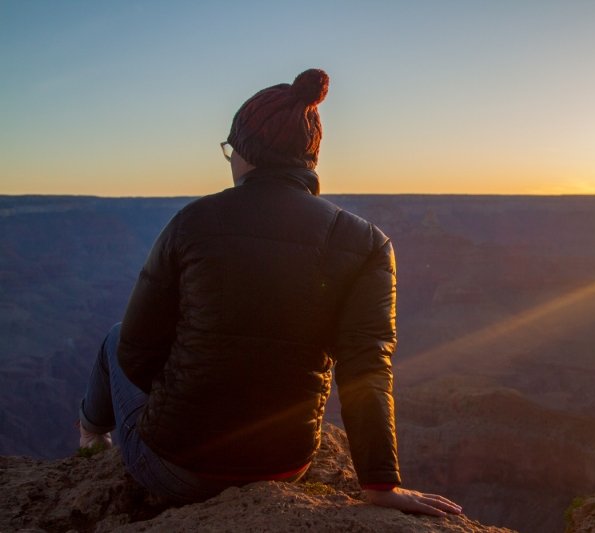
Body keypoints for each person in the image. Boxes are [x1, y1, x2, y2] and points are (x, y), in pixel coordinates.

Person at [77, 69, 461, 517]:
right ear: (308, 159)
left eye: (230, 150)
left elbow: (136, 355)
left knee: (113, 337)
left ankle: (89, 440)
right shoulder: (367, 243)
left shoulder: (193, 222)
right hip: (284, 465)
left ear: (246, 154)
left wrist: (183, 390)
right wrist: (380, 483)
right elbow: (366, 367)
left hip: (175, 467)